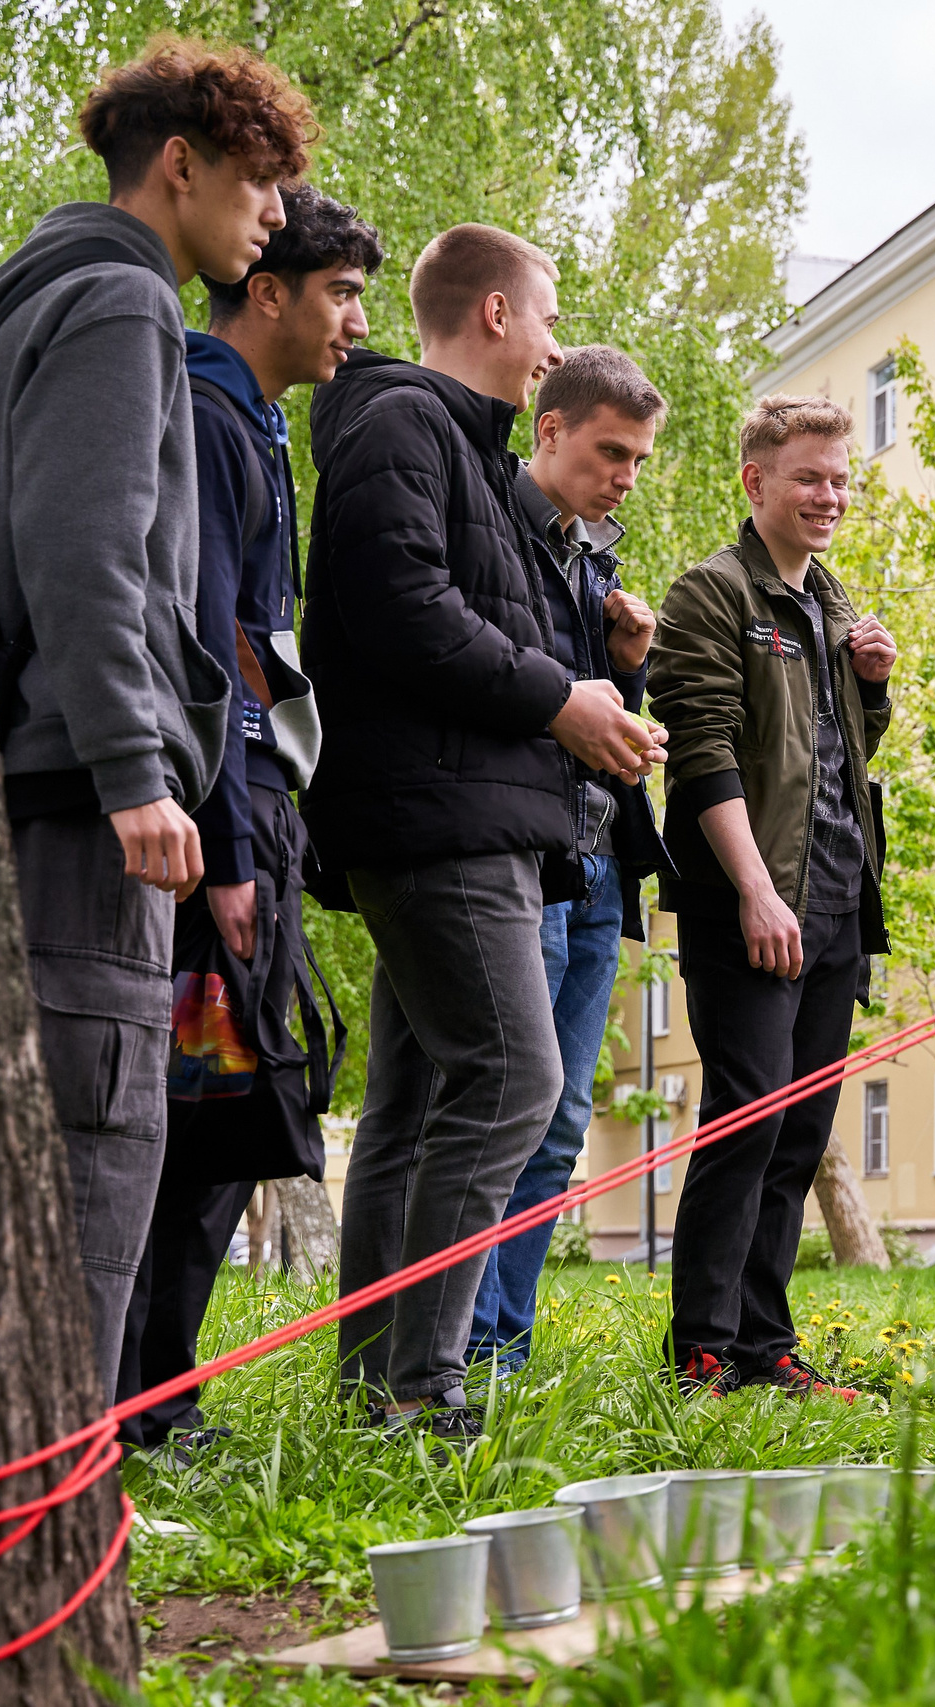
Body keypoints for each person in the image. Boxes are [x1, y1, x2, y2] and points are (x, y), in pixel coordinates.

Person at [0, 40, 312, 1400]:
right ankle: (64, 1496)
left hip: (57, 795)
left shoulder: (58, 296)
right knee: (98, 1161)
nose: (270, 213)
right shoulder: (116, 306)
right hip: (88, 810)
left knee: (75, 1154)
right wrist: (135, 772)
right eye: (258, 181)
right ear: (182, 167)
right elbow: (89, 554)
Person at [305, 225, 662, 1438]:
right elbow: (401, 606)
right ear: (498, 314)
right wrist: (561, 702)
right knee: (515, 1078)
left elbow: (484, 627)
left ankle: (376, 1389)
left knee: (415, 1106)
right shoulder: (402, 421)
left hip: (460, 810)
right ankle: (425, 1387)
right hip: (434, 816)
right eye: (548, 318)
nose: (554, 345)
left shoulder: (462, 451)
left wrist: (593, 686)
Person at [115, 184, 383, 1457]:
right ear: (267, 291)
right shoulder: (215, 417)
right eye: (337, 296)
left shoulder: (259, 424)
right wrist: (228, 848)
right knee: (205, 1118)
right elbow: (214, 642)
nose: (352, 326)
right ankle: (147, 1405)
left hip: (258, 818)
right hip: (225, 833)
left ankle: (159, 1393)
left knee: (218, 1119)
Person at [649, 396, 897, 1400]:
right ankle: (703, 1349)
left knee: (798, 1131)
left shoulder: (831, 601)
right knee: (746, 1115)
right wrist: (755, 891)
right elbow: (702, 752)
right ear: (756, 482)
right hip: (747, 900)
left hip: (836, 898)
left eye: (839, 478)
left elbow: (831, 759)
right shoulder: (710, 594)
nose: (828, 495)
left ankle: (764, 1344)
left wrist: (870, 687)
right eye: (809, 477)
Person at [468, 347, 678, 1374]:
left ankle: (506, 1343)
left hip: (600, 865)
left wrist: (629, 677)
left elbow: (587, 721)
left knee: (558, 1121)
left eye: (637, 459)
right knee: (509, 1103)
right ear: (548, 431)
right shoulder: (496, 532)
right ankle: (462, 1346)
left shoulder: (594, 558)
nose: (624, 477)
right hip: (527, 857)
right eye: (610, 453)